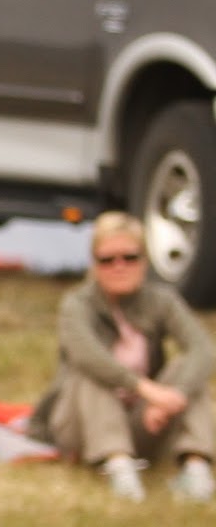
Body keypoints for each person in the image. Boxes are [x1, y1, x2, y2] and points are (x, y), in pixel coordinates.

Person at [26, 212, 215, 503]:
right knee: (89, 373)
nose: (119, 267)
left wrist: (173, 396)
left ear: (145, 260)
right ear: (94, 264)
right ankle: (119, 467)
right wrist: (148, 390)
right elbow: (88, 355)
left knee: (189, 372)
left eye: (129, 257)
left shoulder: (161, 301)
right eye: (107, 260)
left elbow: (202, 348)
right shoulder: (77, 305)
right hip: (81, 421)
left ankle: (196, 469)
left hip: (143, 420)